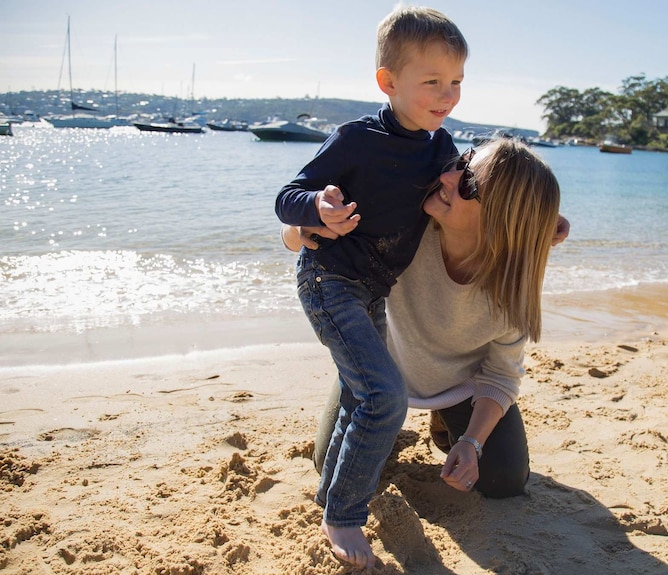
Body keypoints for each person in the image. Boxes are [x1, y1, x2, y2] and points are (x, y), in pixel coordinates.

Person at [285, 138, 563, 555]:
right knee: (327, 465)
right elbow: (305, 239)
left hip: (460, 385)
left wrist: (470, 443)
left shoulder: (511, 282)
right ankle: (387, 418)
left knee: (504, 480)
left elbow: (502, 374)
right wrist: (299, 229)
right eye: (460, 162)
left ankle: (443, 422)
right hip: (376, 376)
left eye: (469, 182)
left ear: (502, 219)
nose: (448, 176)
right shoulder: (399, 225)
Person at [274, 6, 468, 569]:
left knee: (366, 395)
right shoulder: (355, 139)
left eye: (455, 81)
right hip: (328, 279)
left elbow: (481, 187)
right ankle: (343, 513)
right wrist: (316, 208)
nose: (447, 93)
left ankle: (332, 494)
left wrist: (544, 220)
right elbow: (288, 194)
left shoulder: (440, 147)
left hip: (373, 290)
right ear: (388, 82)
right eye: (431, 81)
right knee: (385, 395)